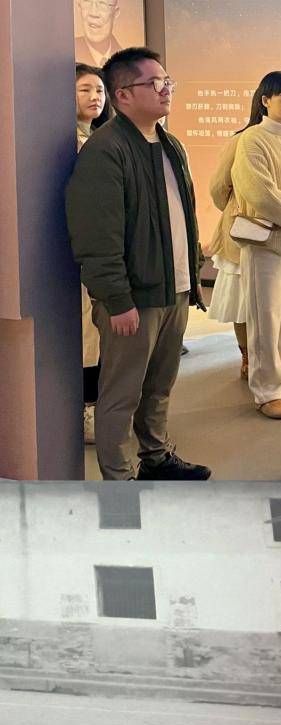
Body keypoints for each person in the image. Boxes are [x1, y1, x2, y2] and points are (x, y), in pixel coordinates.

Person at [66, 47, 210, 481]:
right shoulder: (105, 150)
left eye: (167, 81)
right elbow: (97, 237)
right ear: (123, 95)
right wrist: (117, 299)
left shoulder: (170, 144)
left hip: (174, 288)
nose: (165, 90)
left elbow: (183, 217)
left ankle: (156, 457)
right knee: (121, 394)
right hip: (133, 297)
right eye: (154, 83)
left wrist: (193, 277)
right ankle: (119, 481)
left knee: (160, 385)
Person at [231, 71, 281, 420]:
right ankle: (266, 391)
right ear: (265, 100)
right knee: (265, 317)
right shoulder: (252, 139)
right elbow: (259, 192)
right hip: (265, 240)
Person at [206, 94, 255, 381]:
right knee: (241, 301)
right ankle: (247, 354)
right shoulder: (240, 140)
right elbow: (218, 187)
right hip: (242, 233)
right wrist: (237, 208)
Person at [75, 63, 111, 446]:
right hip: (84, 253)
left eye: (99, 90)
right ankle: (87, 409)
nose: (94, 97)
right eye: (85, 89)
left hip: (102, 252)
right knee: (87, 334)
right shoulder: (71, 141)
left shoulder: (97, 137)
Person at [74, 0, 123, 67]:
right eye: (87, 1)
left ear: (115, 13)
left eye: (102, 2)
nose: (93, 13)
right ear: (79, 8)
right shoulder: (67, 53)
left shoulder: (126, 60)